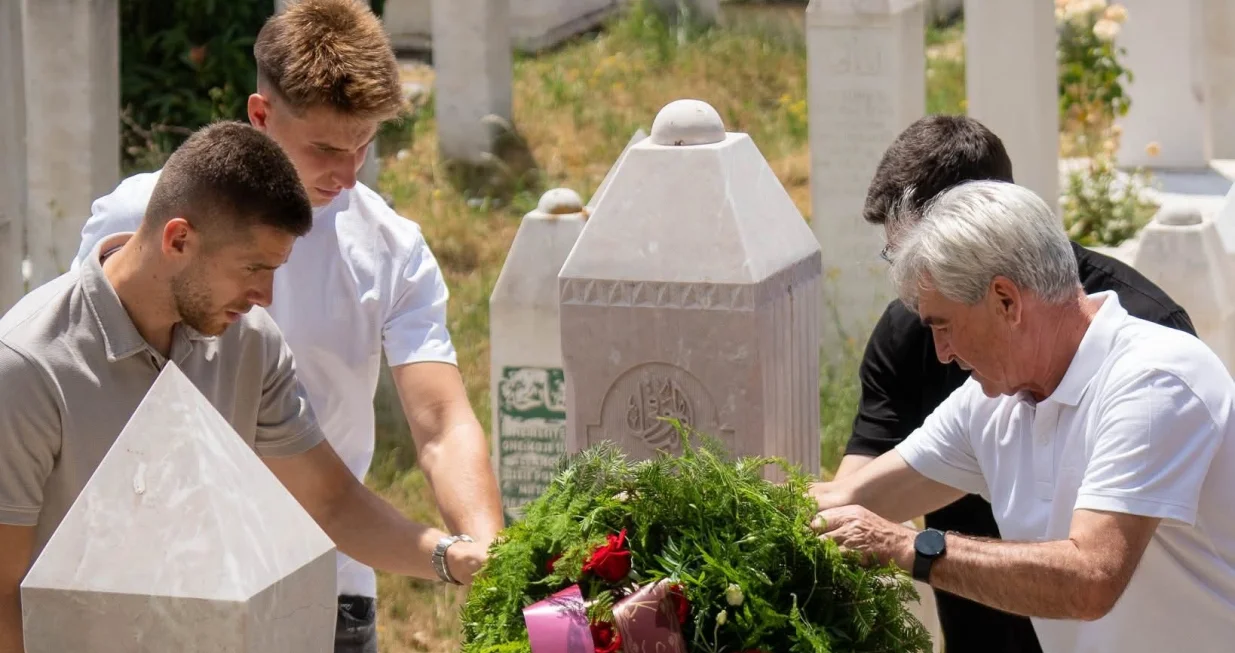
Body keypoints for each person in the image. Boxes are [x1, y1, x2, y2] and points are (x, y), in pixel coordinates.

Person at [71, 1, 504, 650]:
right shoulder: (144, 214)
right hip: (164, 577)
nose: (349, 173)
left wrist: (487, 548)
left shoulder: (392, 246)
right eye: (326, 148)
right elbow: (79, 376)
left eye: (365, 145)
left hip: (330, 582)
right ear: (260, 116)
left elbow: (441, 422)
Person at [0, 121, 487, 653]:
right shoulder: (28, 368)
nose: (265, 294)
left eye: (276, 269)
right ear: (178, 239)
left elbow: (329, 503)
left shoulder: (249, 342)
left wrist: (451, 557)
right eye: (253, 268)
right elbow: (5, 596)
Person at [809, 179, 1235, 653]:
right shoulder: (991, 402)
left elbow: (1091, 578)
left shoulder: (1154, 378)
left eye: (944, 326)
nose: (942, 353)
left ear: (1006, 301)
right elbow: (851, 500)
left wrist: (911, 549)